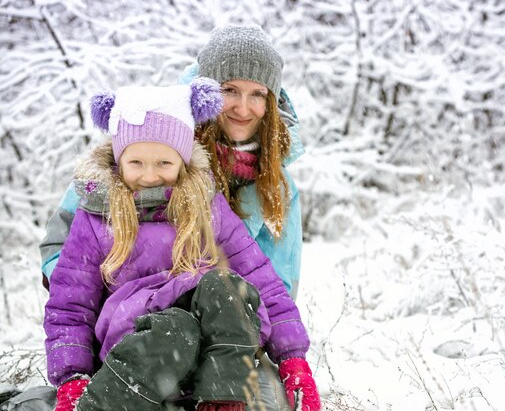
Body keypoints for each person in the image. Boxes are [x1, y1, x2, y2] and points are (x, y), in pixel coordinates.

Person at [40, 24, 308, 411]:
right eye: (229, 90)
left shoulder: (266, 189)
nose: (242, 107)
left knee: (266, 402)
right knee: (164, 349)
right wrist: (119, 311)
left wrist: (289, 354)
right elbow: (66, 272)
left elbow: (271, 283)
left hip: (225, 334)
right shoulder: (141, 145)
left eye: (257, 94)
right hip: (127, 326)